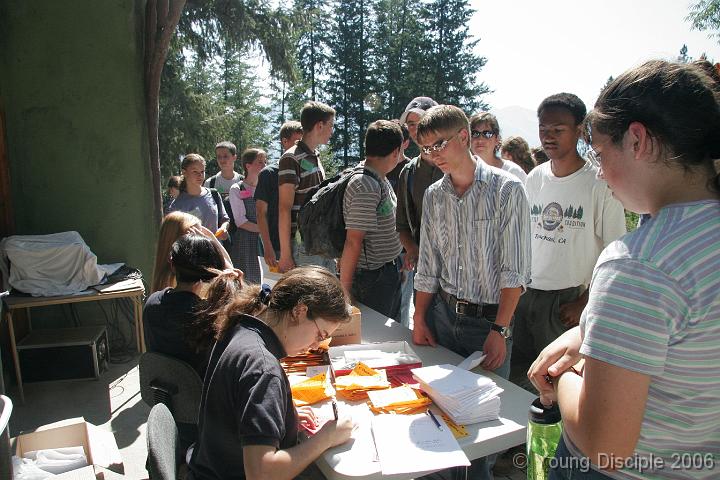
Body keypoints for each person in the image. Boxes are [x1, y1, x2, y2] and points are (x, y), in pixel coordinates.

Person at [528, 60, 720, 479]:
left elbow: (604, 445)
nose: (598, 170)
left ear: (637, 140)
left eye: (599, 153)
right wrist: (588, 332)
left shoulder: (638, 263)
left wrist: (563, 375)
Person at [412, 105, 530, 480]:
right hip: (443, 318)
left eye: (439, 144)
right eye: (426, 149)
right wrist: (419, 316)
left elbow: (516, 271)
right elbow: (428, 264)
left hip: (488, 325)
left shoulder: (507, 189)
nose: (433, 155)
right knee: (439, 416)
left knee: (481, 432)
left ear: (465, 137)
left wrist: (501, 331)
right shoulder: (434, 195)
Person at [188, 266, 355, 480]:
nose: (315, 346)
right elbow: (262, 474)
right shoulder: (264, 369)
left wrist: (285, 419)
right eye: (320, 334)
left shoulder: (241, 326)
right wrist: (327, 438)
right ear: (299, 311)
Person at [509, 93, 626, 391]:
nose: (548, 137)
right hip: (526, 294)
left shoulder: (598, 182)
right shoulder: (535, 178)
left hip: (566, 302)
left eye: (558, 130)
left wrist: (585, 301)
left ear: (579, 130)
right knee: (520, 373)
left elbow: (617, 251)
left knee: (558, 381)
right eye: (543, 129)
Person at [339, 120, 403, 318]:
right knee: (373, 340)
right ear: (395, 152)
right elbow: (353, 241)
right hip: (371, 280)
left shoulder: (379, 177)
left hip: (386, 273)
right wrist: (345, 293)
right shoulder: (364, 185)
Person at [144, 233, 227, 377]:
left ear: (172, 264)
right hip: (202, 395)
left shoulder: (152, 303)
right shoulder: (209, 316)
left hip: (161, 389)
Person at [396, 96, 443, 326]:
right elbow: (403, 224)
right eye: (411, 124)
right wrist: (411, 248)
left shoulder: (455, 166)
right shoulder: (409, 172)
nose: (416, 130)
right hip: (423, 272)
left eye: (421, 122)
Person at [278, 102, 336, 274]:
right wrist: (286, 254)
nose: (332, 131)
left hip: (322, 242)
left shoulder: (315, 156)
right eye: (331, 125)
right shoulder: (291, 157)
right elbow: (284, 208)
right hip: (304, 245)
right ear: (319, 125)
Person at [256, 121, 303, 272]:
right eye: (297, 142)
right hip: (275, 247)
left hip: (299, 246)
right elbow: (260, 213)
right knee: (273, 289)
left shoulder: (305, 169)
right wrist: (267, 247)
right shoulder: (268, 173)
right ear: (284, 141)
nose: (299, 147)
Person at [150, 211, 232, 294]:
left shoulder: (166, 275)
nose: (201, 240)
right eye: (197, 235)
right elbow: (231, 275)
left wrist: (211, 237)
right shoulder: (185, 278)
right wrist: (212, 242)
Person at [228, 148, 267, 284]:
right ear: (248, 165)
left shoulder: (267, 188)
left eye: (265, 162)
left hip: (266, 241)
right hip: (246, 242)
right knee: (247, 283)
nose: (264, 166)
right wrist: (264, 230)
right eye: (260, 162)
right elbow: (241, 222)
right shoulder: (237, 189)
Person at [168, 153, 230, 236]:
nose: (200, 175)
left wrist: (223, 228)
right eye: (195, 171)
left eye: (202, 171)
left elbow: (225, 219)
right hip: (192, 248)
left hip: (214, 247)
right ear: (184, 172)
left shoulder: (213, 194)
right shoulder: (177, 205)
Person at [469, 112, 527, 183]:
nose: (480, 140)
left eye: (487, 134)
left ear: (497, 139)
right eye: (475, 133)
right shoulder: (461, 173)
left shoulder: (514, 172)